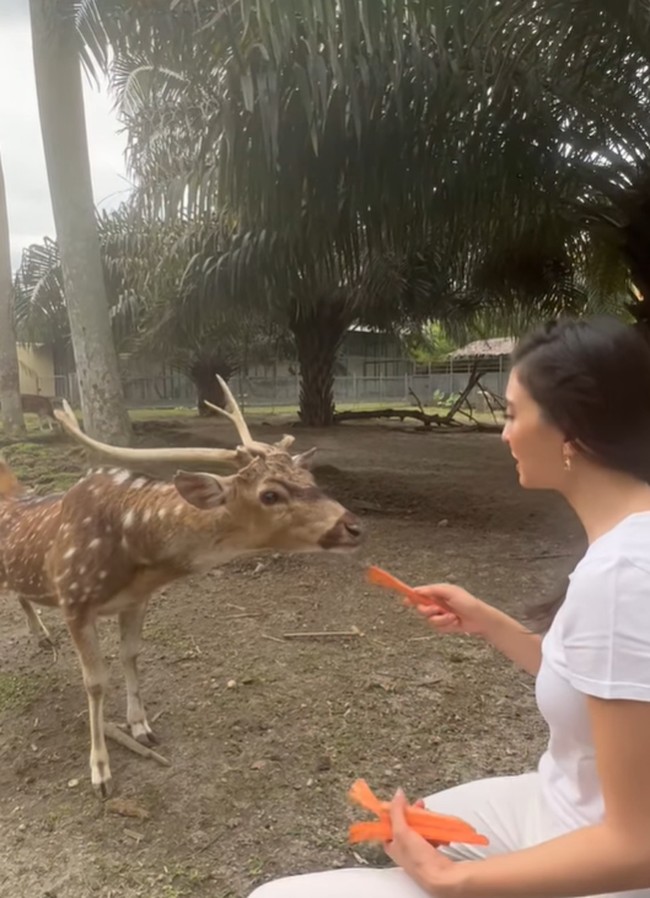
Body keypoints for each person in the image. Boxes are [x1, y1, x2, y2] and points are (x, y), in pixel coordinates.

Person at [247, 316, 650, 898]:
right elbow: (601, 683)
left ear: (572, 431)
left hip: (603, 862)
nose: (504, 434)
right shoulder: (627, 543)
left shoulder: (623, 575)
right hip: (563, 804)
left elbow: (638, 847)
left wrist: (451, 879)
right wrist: (489, 622)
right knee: (419, 821)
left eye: (512, 414)